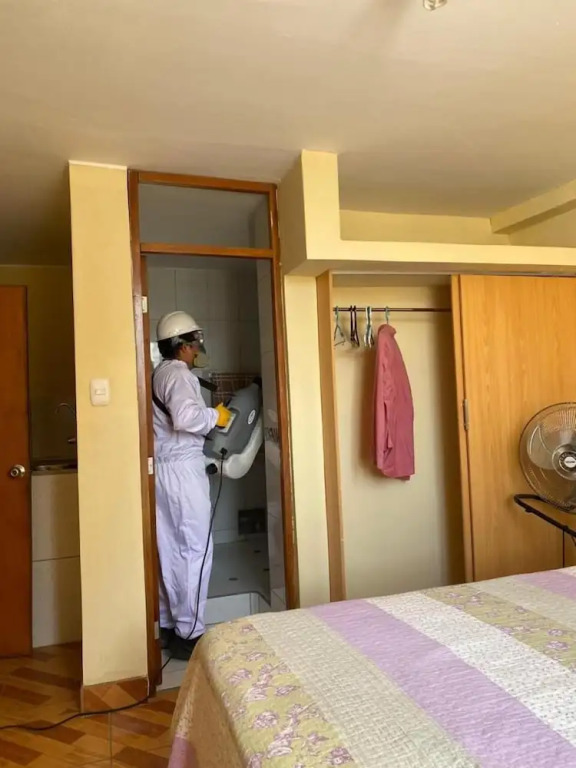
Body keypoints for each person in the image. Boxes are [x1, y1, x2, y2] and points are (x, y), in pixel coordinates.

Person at [152, 311, 231, 660]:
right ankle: (191, 633)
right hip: (182, 471)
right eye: (195, 342)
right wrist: (216, 416)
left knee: (170, 548)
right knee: (196, 549)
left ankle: (171, 625)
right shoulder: (180, 375)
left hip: (162, 470)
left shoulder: (159, 373)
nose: (199, 348)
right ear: (182, 345)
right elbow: (186, 418)